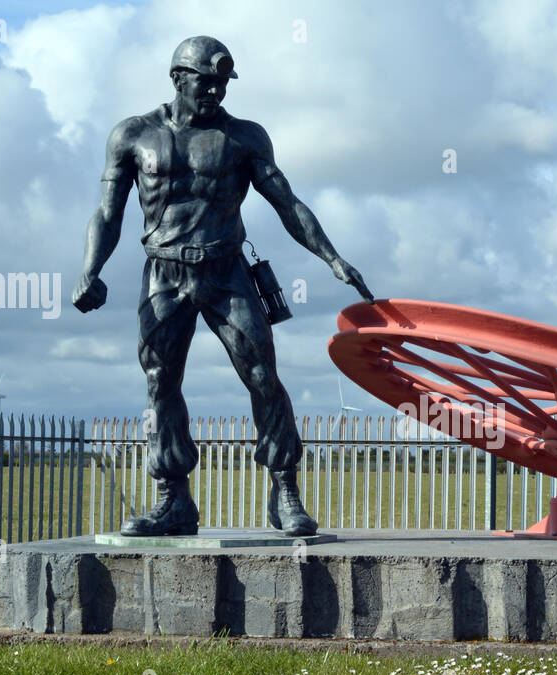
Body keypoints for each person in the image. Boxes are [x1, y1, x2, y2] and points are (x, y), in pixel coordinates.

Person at [73, 36, 373, 536]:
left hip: (227, 271)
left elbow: (288, 203)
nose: (215, 91)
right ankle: (174, 501)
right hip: (164, 273)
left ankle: (285, 490)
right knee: (160, 382)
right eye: (205, 82)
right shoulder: (132, 136)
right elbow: (108, 212)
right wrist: (91, 268)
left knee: (262, 374)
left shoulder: (245, 138)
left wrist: (333, 258)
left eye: (222, 84)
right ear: (178, 78)